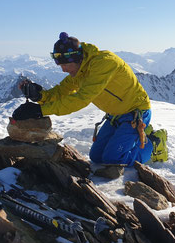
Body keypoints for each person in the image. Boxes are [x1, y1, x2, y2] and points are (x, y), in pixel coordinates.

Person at [12, 32, 167, 166]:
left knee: (113, 159)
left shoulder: (103, 63)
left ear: (77, 58)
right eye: (59, 63)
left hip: (135, 113)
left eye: (65, 64)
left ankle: (154, 143)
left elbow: (81, 99)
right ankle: (137, 135)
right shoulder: (79, 71)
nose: (63, 69)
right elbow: (60, 92)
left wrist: (40, 110)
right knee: (96, 157)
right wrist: (39, 96)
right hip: (115, 116)